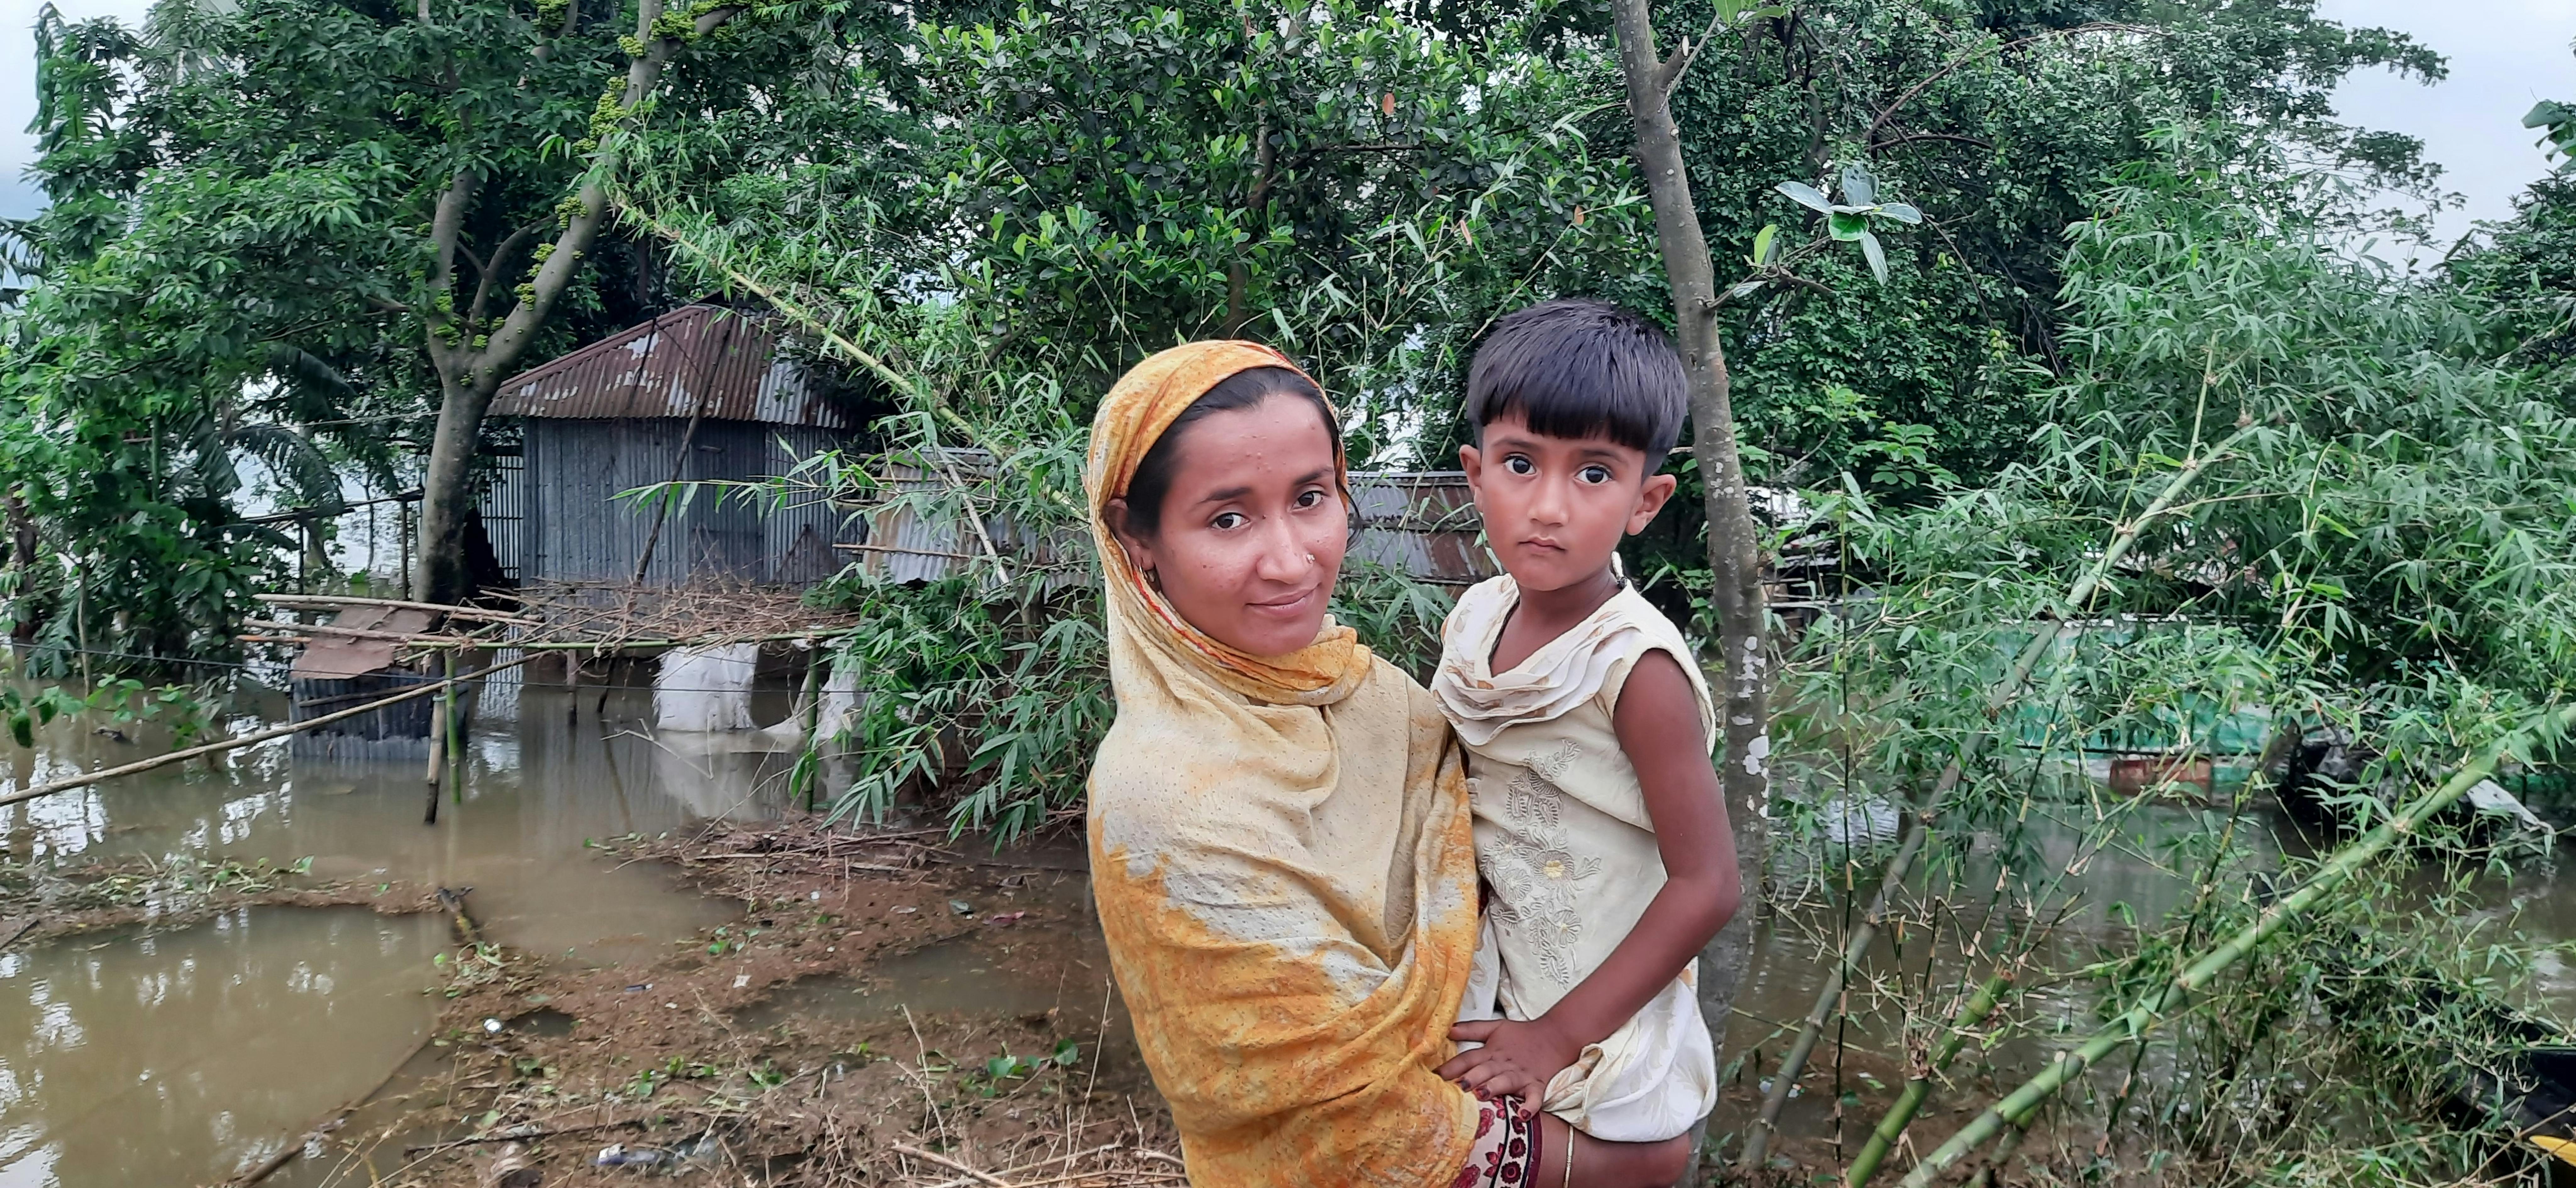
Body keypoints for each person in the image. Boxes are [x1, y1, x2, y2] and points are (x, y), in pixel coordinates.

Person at [1084, 340, 1693, 1188]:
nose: (1292, 560)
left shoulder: (1380, 698)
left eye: (1311, 498)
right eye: (1228, 517)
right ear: (1136, 537)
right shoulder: (1164, 801)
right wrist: (1628, 1163)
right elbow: (1352, 1124)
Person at [1430, 299, 1742, 1149]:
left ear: (1647, 501)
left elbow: (1709, 884)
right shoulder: (1474, 616)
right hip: (1494, 979)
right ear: (1475, 473)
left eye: (1594, 474)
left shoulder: (1635, 668)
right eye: (1521, 464)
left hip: (1592, 1020)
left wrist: (1558, 1036)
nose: (1550, 506)